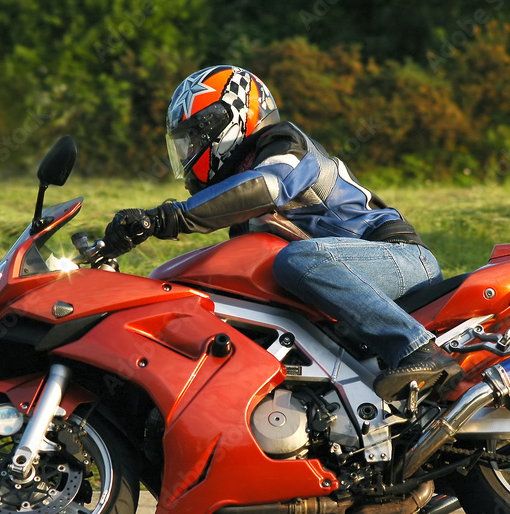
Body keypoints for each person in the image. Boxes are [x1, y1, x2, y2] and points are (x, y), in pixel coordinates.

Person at [101, 65, 462, 401]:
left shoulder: (285, 145)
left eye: (193, 138)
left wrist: (167, 218)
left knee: (299, 260)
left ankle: (419, 350)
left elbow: (268, 186)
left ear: (226, 121)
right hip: (351, 277)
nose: (189, 152)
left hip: (399, 256)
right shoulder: (243, 218)